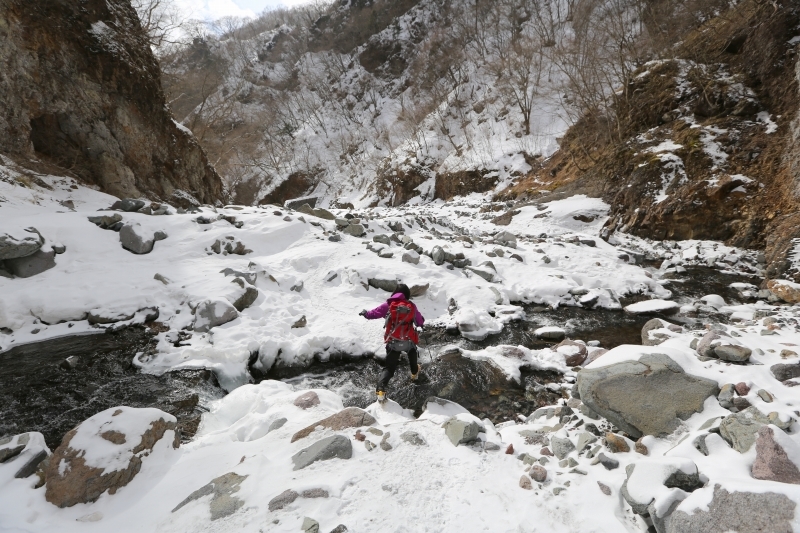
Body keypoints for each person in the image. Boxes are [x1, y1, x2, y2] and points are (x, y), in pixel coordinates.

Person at [359, 283, 425, 403]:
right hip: (408, 341)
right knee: (412, 351)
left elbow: (374, 313)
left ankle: (380, 390)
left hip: (393, 342)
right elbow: (419, 322)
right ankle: (415, 373)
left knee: (389, 369)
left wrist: (365, 313)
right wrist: (421, 322)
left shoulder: (389, 305)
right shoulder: (411, 306)